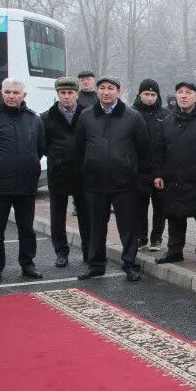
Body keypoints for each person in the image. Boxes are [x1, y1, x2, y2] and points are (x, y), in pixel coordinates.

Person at [75, 76, 153, 282]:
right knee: (96, 227)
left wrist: (139, 177)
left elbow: (144, 150)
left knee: (128, 227)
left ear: (119, 91)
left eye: (111, 88)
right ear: (97, 91)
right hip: (94, 183)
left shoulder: (133, 117)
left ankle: (130, 264)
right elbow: (79, 147)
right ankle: (96, 265)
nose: (106, 92)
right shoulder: (85, 116)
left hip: (125, 183)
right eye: (102, 88)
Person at [0, 78, 46, 283]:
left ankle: (28, 264)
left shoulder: (34, 119)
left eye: (16, 92)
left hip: (26, 186)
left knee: (27, 229)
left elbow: (39, 149)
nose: (11, 96)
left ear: (24, 95)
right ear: (1, 93)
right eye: (8, 92)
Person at [154, 82, 196, 267]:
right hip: (173, 178)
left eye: (188, 92)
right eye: (180, 92)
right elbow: (160, 150)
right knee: (174, 215)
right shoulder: (168, 120)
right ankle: (174, 250)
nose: (183, 96)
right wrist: (158, 174)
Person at [40, 77, 89, 268]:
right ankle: (61, 252)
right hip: (58, 172)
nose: (67, 97)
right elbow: (42, 144)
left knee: (86, 217)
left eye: (70, 93)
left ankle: (88, 251)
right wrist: (57, 157)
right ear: (58, 94)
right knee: (57, 217)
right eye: (63, 93)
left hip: (83, 173)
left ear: (76, 94)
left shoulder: (87, 114)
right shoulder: (46, 117)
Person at [131, 79, 166, 251]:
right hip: (139, 169)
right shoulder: (131, 114)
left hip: (159, 169)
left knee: (160, 206)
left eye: (153, 94)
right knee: (139, 206)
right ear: (140, 95)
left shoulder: (165, 114)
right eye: (146, 94)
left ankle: (157, 237)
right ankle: (140, 236)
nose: (150, 98)